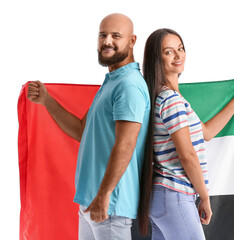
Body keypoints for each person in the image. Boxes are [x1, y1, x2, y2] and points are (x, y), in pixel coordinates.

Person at [27, 13, 150, 240]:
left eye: (116, 36)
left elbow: (126, 144)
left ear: (132, 41)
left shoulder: (129, 85)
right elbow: (82, 130)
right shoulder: (112, 82)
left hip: (110, 206)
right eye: (102, 35)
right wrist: (47, 101)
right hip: (90, 202)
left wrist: (104, 195)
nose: (107, 41)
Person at [138, 28, 234, 240]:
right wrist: (205, 197)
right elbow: (187, 155)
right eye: (168, 51)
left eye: (180, 49)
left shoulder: (167, 98)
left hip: (161, 197)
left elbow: (207, 133)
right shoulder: (171, 100)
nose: (178, 55)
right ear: (156, 59)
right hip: (174, 196)